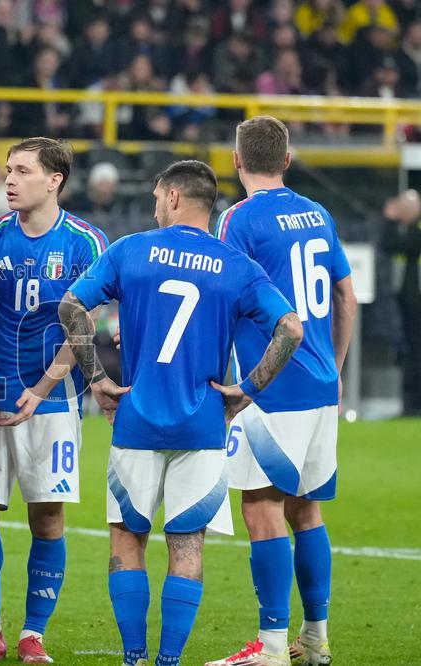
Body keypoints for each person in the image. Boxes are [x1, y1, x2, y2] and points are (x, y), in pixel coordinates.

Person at [60, 160, 304, 666]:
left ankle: (133, 658)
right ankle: (170, 660)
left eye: (155, 196)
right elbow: (291, 329)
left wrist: (96, 378)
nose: (153, 205)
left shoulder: (131, 250)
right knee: (186, 546)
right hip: (204, 423)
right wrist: (247, 390)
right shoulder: (235, 264)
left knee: (128, 541)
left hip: (135, 419)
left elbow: (71, 307)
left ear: (172, 197)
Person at [0, 138, 114, 663]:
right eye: (7, 171)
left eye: (22, 171)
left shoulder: (85, 243)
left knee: (47, 518)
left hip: (52, 402)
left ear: (54, 180)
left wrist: (40, 390)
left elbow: (83, 328)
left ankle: (33, 635)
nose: (10, 180)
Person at [207, 116, 357, 666]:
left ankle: (271, 646)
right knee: (307, 513)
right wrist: (335, 368)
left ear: (236, 161)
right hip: (321, 386)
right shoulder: (318, 213)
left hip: (269, 390)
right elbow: (346, 297)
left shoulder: (238, 220)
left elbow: (220, 297)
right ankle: (314, 639)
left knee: (262, 510)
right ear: (287, 161)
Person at [381, 189, 421, 415]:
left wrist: (389, 219)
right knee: (408, 352)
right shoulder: (404, 230)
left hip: (417, 301)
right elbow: (388, 245)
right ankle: (410, 402)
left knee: (416, 352)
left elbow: (400, 244)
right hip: (407, 301)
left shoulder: (414, 232)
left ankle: (415, 403)